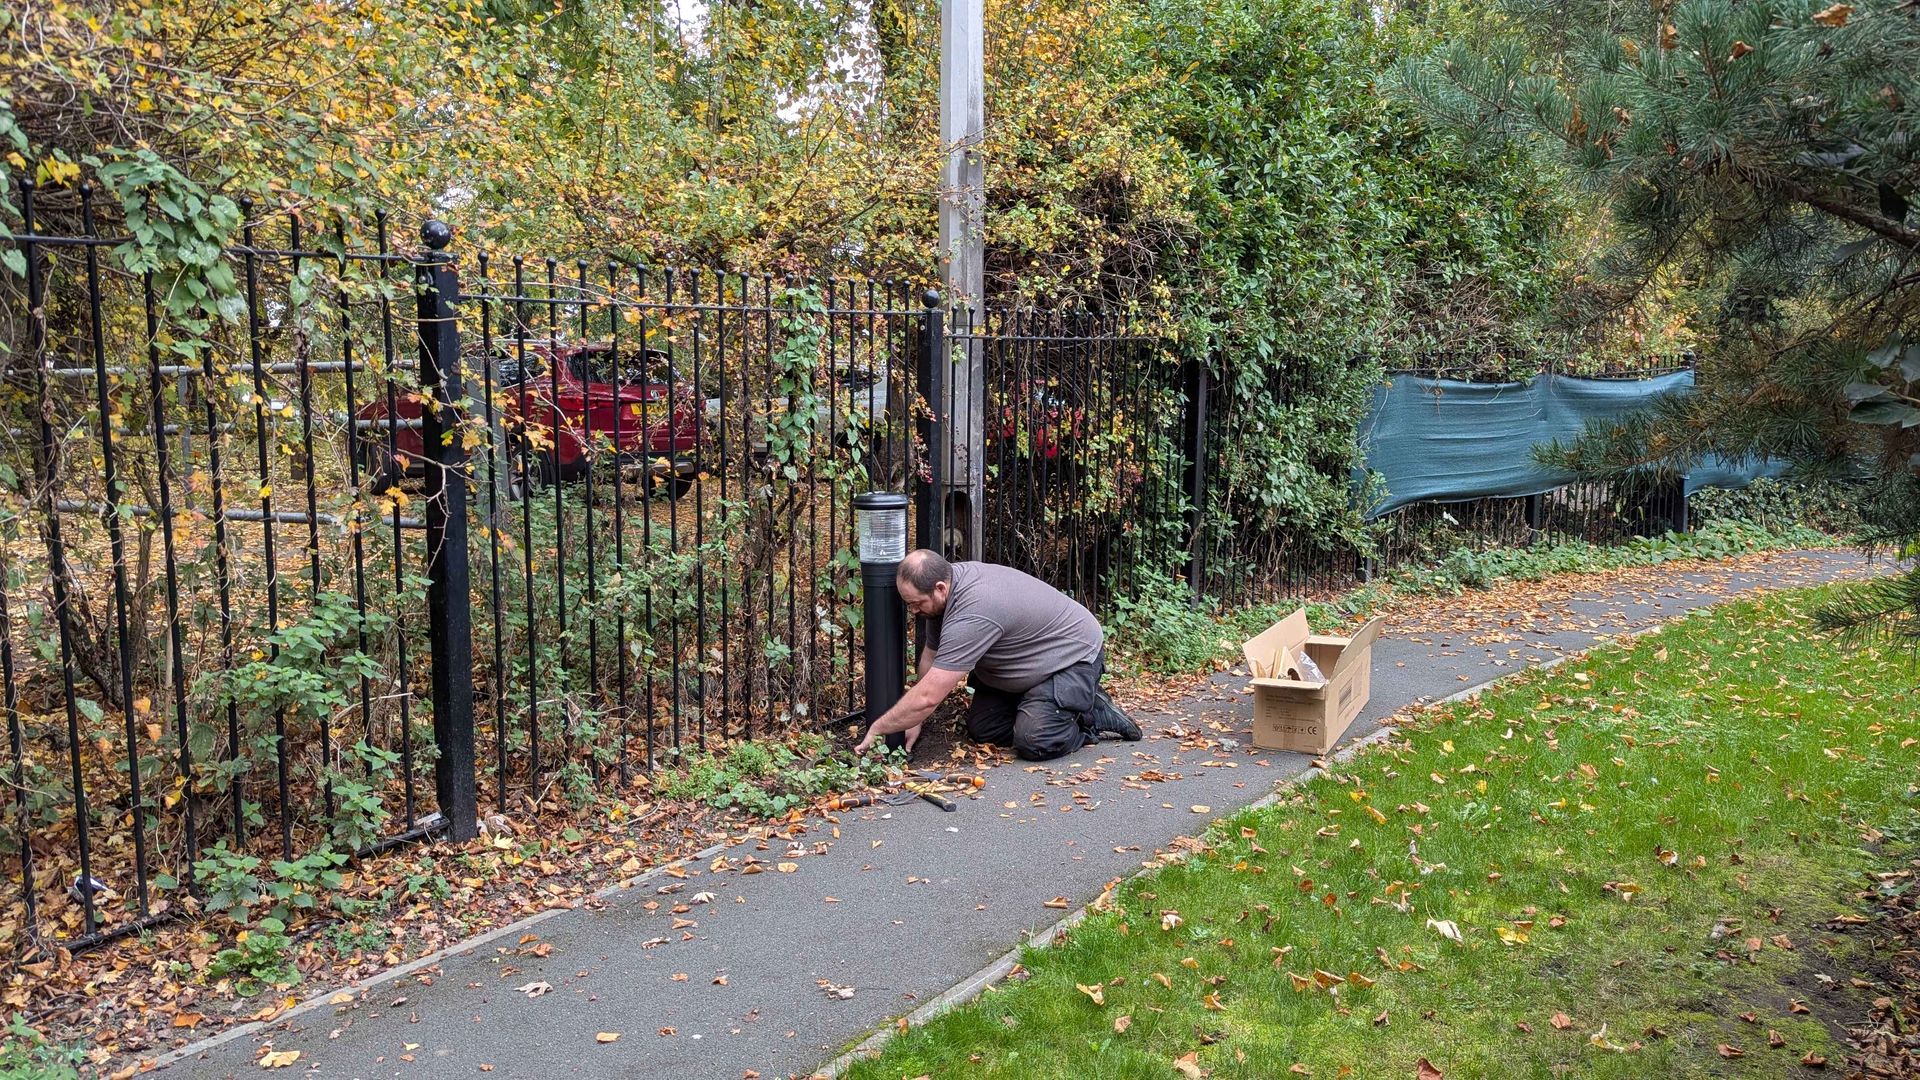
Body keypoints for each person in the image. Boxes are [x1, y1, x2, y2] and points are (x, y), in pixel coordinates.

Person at [853, 550, 1142, 760]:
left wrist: (880, 726)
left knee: (1034, 740)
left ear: (940, 588)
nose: (913, 611)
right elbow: (932, 656)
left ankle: (1089, 713)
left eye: (916, 604)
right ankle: (1045, 704)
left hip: (1071, 657)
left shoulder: (974, 611)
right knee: (984, 729)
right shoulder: (944, 593)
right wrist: (913, 720)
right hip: (1026, 664)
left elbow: (930, 695)